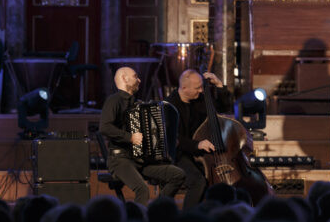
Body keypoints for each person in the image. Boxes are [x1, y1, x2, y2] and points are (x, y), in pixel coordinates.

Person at [99, 67, 185, 206]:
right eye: (135, 76)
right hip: (120, 160)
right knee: (142, 189)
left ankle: (157, 211)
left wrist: (163, 140)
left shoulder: (138, 104)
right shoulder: (114, 100)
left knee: (177, 175)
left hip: (140, 159)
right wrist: (130, 137)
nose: (139, 80)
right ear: (124, 78)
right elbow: (105, 127)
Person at [166, 69, 231, 210]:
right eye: (197, 88)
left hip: (199, 153)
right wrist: (198, 144)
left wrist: (219, 85)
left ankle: (206, 215)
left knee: (213, 180)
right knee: (198, 181)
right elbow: (173, 139)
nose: (201, 91)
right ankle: (189, 219)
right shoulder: (169, 106)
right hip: (177, 154)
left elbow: (224, 108)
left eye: (202, 87)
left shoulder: (200, 100)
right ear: (184, 88)